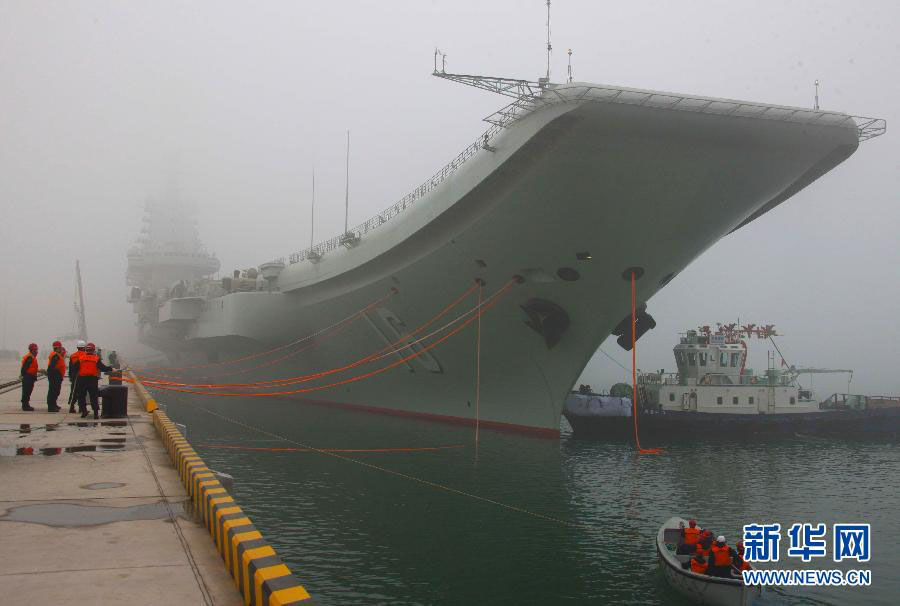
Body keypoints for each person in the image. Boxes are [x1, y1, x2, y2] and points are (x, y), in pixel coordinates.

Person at [74, 342, 113, 419]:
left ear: (86, 350)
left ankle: (84, 411)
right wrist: (111, 368)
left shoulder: (81, 358)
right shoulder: (96, 359)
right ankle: (95, 413)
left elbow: (75, 367)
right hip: (92, 380)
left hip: (82, 379)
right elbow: (103, 368)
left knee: (81, 396)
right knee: (93, 396)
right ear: (93, 350)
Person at [46, 341, 66, 412]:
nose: (61, 349)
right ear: (58, 348)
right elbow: (52, 366)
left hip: (55, 375)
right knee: (53, 391)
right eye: (60, 348)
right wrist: (55, 373)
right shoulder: (55, 356)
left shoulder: (56, 355)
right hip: (55, 375)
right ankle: (51, 407)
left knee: (55, 391)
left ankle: (53, 404)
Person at [67, 340, 86, 413]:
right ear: (84, 347)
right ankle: (81, 408)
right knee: (82, 392)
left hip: (75, 376)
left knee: (73, 392)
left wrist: (71, 376)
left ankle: (71, 407)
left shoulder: (72, 355)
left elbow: (71, 367)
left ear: (77, 347)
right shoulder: (85, 355)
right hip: (82, 376)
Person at [20, 343, 40, 411]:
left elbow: (32, 368)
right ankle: (25, 406)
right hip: (28, 377)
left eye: (37, 349)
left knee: (28, 391)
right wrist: (23, 375)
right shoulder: (30, 357)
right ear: (32, 350)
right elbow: (24, 368)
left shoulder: (32, 357)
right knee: (26, 391)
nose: (37, 351)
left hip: (30, 377)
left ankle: (26, 405)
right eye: (35, 350)